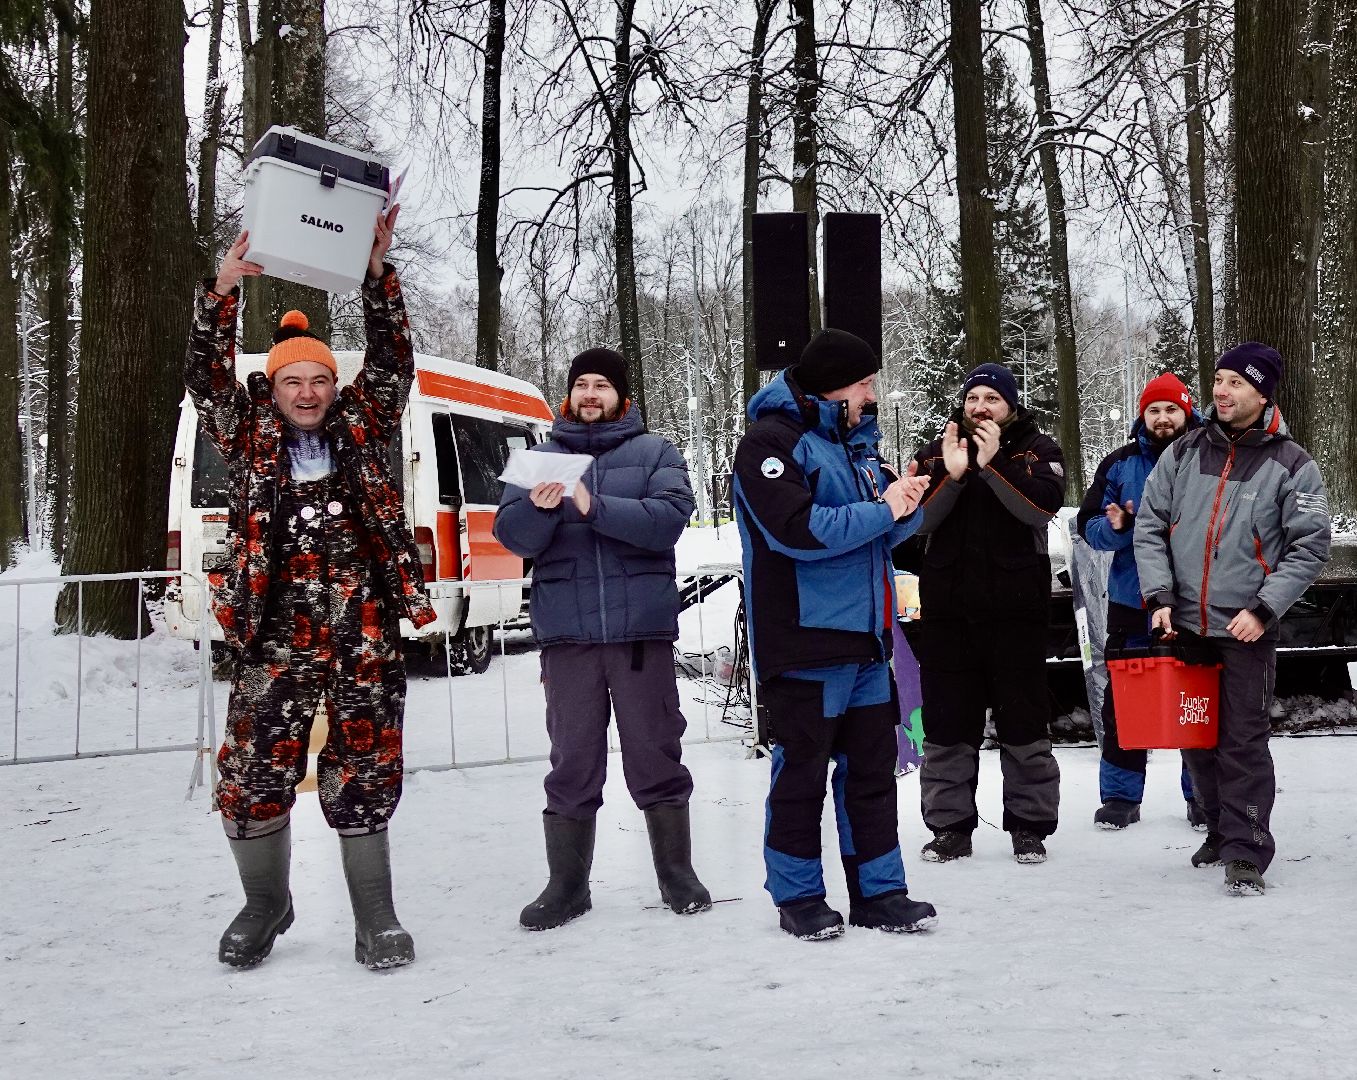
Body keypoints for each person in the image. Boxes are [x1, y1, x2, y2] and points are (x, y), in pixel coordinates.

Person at [188, 208, 435, 969]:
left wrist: (375, 275)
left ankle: (376, 917)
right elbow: (203, 374)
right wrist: (220, 294)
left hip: (361, 633)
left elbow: (394, 359)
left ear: (336, 385)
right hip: (271, 638)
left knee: (365, 764)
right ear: (274, 385)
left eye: (319, 379)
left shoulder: (363, 424)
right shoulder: (246, 430)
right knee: (254, 769)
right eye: (292, 379)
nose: (306, 391)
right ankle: (266, 903)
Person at [494, 349, 711, 930]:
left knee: (657, 750)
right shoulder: (538, 457)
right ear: (569, 394)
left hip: (641, 633)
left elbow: (667, 520)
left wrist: (593, 506)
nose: (591, 394)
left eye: (602, 386)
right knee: (571, 760)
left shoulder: (656, 453)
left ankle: (676, 874)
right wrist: (541, 514)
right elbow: (511, 536)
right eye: (582, 385)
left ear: (622, 396)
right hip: (569, 638)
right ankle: (566, 886)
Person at [733, 328, 937, 941]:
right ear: (835, 384)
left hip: (868, 640)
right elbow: (797, 531)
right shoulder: (771, 443)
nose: (872, 394)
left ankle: (881, 892)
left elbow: (878, 533)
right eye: (865, 383)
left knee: (872, 774)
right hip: (805, 641)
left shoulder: (856, 443)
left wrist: (911, 503)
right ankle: (797, 898)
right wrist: (886, 509)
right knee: (802, 776)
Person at [1135, 342, 1330, 894]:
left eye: (1235, 382)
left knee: (1242, 740)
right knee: (1195, 739)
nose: (1221, 391)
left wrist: (1265, 608)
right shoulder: (1185, 450)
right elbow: (1150, 524)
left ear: (1262, 392)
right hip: (1185, 624)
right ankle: (1220, 829)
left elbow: (1310, 546)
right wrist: (1159, 596)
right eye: (1218, 380)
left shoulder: (1294, 464)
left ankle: (1247, 849)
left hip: (1246, 625)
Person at [911, 363, 1065, 864]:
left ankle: (1030, 827)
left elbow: (1039, 508)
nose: (981, 406)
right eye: (974, 397)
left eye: (992, 399)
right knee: (947, 725)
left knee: (1024, 723)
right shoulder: (935, 453)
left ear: (1010, 407)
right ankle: (950, 826)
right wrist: (952, 476)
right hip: (948, 617)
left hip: (1017, 616)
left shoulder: (1039, 451)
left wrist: (995, 464)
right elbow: (914, 523)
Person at [1077, 373, 1205, 830]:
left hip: (1195, 601)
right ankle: (1119, 797)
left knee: (1199, 698)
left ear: (1187, 411)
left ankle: (1203, 796)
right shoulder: (1119, 464)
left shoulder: (1211, 458)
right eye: (1154, 410)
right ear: (1142, 414)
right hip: (1133, 600)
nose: (1163, 418)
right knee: (1124, 703)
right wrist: (1115, 528)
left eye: (1172, 409)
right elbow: (1088, 527)